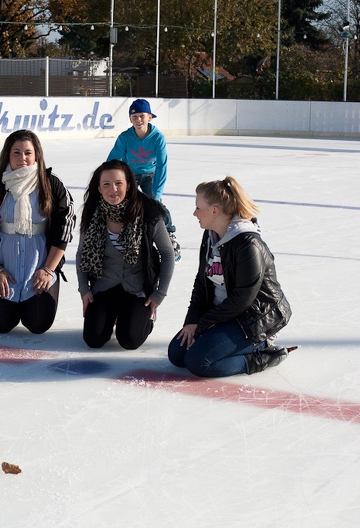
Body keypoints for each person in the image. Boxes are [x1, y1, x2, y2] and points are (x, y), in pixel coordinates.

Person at [168, 176, 293, 377]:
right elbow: (202, 282)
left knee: (199, 363)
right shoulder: (210, 235)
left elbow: (242, 300)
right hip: (222, 313)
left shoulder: (247, 245)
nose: (194, 213)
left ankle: (261, 353)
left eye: (198, 208)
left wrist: (203, 324)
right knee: (177, 355)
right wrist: (192, 321)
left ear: (214, 211)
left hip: (254, 317)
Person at [0, 129, 76, 334]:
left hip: (40, 267)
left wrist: (48, 269)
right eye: (16, 152)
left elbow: (65, 226)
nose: (23, 158)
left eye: (28, 152)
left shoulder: (51, 183)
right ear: (7, 155)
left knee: (38, 325)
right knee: (1, 325)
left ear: (37, 154)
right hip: (3, 266)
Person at [77, 160, 176, 350]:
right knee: (94, 339)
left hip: (137, 288)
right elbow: (82, 253)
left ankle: (142, 318)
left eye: (118, 183)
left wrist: (159, 294)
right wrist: (84, 289)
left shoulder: (148, 212)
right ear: (98, 188)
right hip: (104, 286)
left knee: (129, 340)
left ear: (129, 185)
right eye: (106, 184)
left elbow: (167, 253)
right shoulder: (92, 214)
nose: (113, 189)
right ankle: (112, 315)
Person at [107, 98, 180, 261]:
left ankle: (169, 235)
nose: (138, 120)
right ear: (130, 119)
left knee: (156, 204)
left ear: (149, 117)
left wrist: (157, 193)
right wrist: (107, 178)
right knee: (123, 204)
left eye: (142, 116)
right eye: (134, 117)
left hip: (150, 174)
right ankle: (123, 239)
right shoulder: (125, 137)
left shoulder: (157, 137)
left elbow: (162, 165)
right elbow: (112, 160)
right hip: (129, 174)